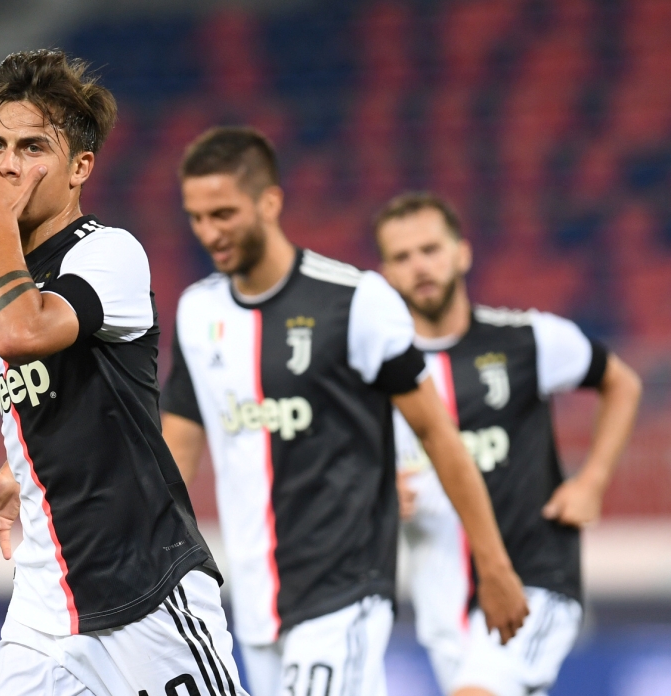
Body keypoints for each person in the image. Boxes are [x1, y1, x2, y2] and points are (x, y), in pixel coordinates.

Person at [160, 127, 528, 696]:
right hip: (255, 601)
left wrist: (495, 564)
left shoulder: (356, 300)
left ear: (270, 202)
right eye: (198, 217)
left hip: (344, 589)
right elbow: (176, 455)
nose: (210, 232)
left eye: (224, 213)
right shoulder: (197, 309)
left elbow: (437, 432)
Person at [0, 49, 247, 696]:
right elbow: (68, 400)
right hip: (44, 610)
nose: (6, 166)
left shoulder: (109, 253)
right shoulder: (16, 277)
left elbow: (22, 333)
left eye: (32, 149)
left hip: (145, 594)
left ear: (80, 167)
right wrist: (13, 476)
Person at [376, 191, 642, 696]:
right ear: (386, 273)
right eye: (402, 257)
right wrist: (379, 489)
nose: (420, 266)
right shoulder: (375, 369)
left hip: (533, 576)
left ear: (462, 253)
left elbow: (622, 383)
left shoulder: (526, 339)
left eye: (431, 249)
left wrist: (593, 479)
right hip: (442, 594)